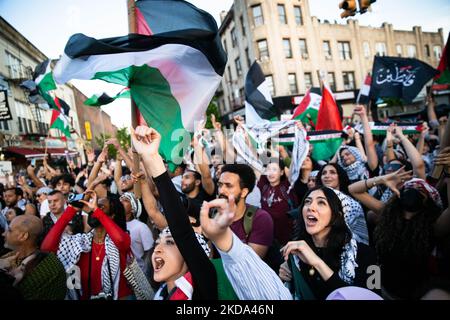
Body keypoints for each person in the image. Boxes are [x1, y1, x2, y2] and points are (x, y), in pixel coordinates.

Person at [131, 125, 217, 300]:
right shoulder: (161, 295)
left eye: (170, 242)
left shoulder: (203, 286)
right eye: (159, 242)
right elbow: (155, 212)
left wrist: (152, 157)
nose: (157, 250)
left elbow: (182, 230)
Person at [349, 169, 449, 299]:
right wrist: (381, 179)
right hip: (382, 287)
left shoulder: (434, 225)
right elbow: (353, 189)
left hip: (416, 294)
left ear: (429, 200)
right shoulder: (387, 214)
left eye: (420, 190)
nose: (413, 191)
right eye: (410, 187)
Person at [280, 186, 377, 300]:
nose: (311, 207)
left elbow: (375, 296)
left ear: (337, 216)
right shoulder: (296, 254)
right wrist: (283, 278)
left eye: (321, 202)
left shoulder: (367, 254)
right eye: (307, 202)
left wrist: (317, 262)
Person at [41, 191, 132, 300]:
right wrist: (71, 210)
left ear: (112, 216)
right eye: (93, 205)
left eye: (101, 207)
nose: (93, 208)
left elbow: (121, 240)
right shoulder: (81, 243)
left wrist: (96, 210)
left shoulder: (120, 239)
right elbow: (46, 249)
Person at [1, 215, 67, 299]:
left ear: (23, 236)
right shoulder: (9, 256)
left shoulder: (47, 268)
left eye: (9, 230)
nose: (3, 234)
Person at [218, 164, 274, 259]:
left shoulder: (260, 219)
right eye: (220, 185)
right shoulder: (212, 214)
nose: (221, 191)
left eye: (228, 186)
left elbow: (249, 263)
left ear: (244, 192)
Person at [315, 163, 370, 245]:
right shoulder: (313, 201)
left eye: (332, 172)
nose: (327, 176)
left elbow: (361, 237)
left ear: (339, 177)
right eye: (324, 173)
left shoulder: (352, 204)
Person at [258, 158, 298, 246]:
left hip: (285, 237)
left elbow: (293, 169)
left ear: (282, 172)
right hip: (267, 235)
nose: (271, 173)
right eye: (268, 169)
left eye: (274, 169)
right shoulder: (263, 185)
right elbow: (257, 161)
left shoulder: (287, 186)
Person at [120, 192, 154, 274]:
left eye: (125, 200)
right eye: (120, 200)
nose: (121, 202)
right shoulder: (114, 225)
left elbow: (149, 253)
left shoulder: (141, 227)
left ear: (133, 207)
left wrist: (146, 276)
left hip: (138, 275)